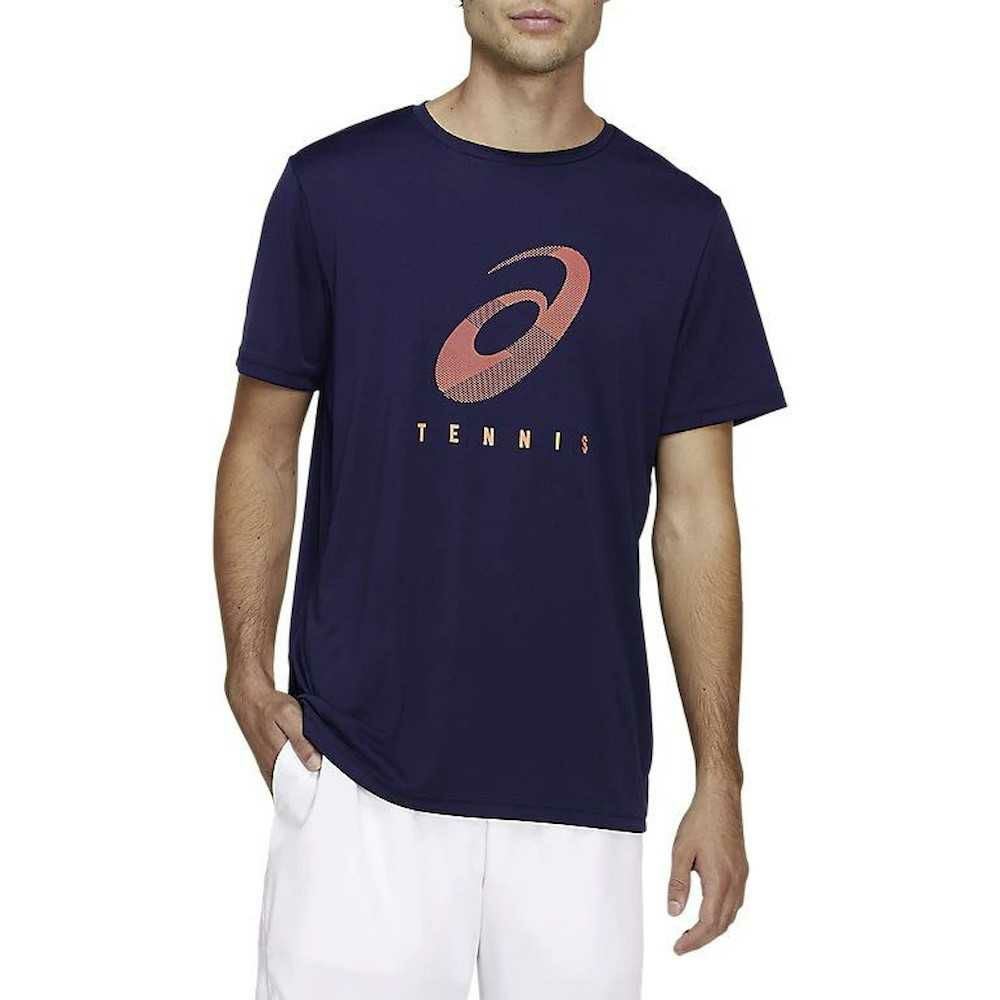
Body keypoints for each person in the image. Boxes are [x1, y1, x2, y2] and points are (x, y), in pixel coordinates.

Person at [214, 2, 785, 996]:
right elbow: (263, 444)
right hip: (358, 778)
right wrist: (245, 671)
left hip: (582, 791)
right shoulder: (335, 189)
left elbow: (695, 516)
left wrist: (720, 775)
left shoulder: (679, 226)